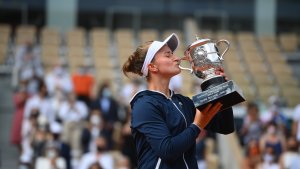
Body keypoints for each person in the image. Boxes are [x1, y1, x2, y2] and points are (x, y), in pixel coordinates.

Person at [122, 33, 234, 169]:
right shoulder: (144, 104)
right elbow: (167, 150)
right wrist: (197, 125)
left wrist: (216, 86)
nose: (176, 58)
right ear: (152, 67)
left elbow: (225, 126)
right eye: (168, 55)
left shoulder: (183, 101)